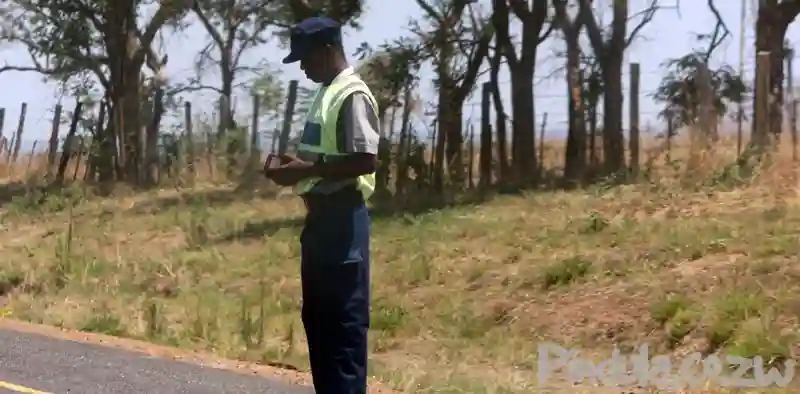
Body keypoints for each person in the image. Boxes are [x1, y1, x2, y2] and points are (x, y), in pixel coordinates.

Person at [264, 15, 380, 394]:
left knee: (343, 333)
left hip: (343, 223)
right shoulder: (326, 92)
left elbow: (365, 160)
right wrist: (292, 168)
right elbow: (323, 157)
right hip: (320, 226)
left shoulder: (352, 94)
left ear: (329, 51)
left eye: (306, 58)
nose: (302, 67)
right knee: (319, 325)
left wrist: (304, 170)